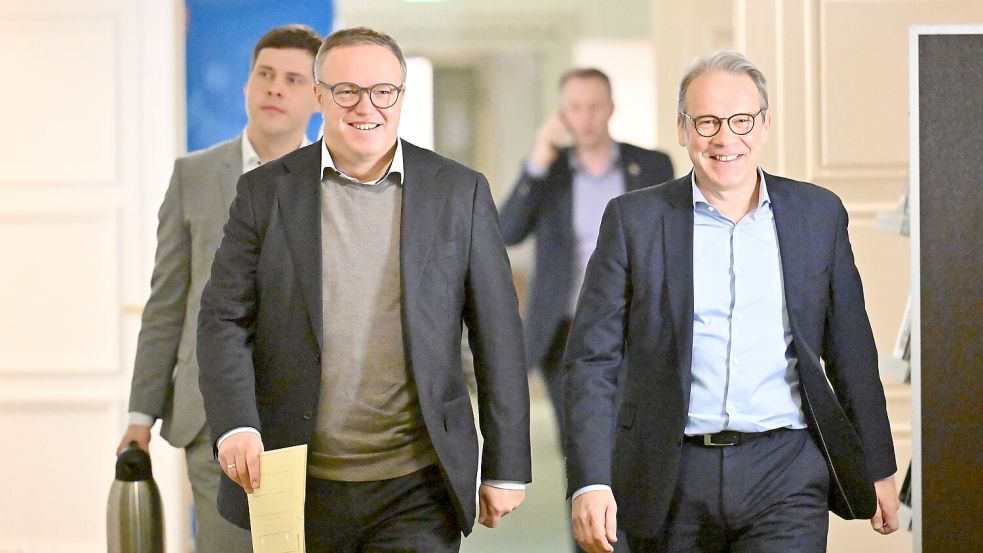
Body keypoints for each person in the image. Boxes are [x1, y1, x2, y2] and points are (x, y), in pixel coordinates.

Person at [197, 27, 531, 552]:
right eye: (346, 90)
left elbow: (497, 333)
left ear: (400, 96)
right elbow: (223, 318)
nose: (365, 106)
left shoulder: (459, 191)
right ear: (319, 96)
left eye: (382, 91)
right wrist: (236, 424)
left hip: (418, 483)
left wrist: (507, 463)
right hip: (297, 478)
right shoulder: (265, 191)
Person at [562, 51, 900, 553]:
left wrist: (877, 465)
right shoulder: (634, 221)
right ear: (682, 129)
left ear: (763, 126)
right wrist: (590, 481)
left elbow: (851, 350)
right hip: (669, 474)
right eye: (707, 122)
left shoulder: (818, 215)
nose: (725, 139)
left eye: (741, 121)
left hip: (786, 472)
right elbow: (592, 361)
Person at [118, 24, 322, 553]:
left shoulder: (333, 182)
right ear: (247, 85)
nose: (275, 88)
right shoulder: (195, 176)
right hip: (210, 415)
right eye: (265, 75)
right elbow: (167, 304)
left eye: (294, 79)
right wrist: (140, 417)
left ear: (318, 98)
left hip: (310, 415)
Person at [499, 67, 673, 440]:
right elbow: (507, 232)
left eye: (594, 106)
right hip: (565, 332)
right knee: (580, 447)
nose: (585, 117)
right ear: (562, 114)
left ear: (611, 108)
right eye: (575, 107)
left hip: (633, 328)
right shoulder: (549, 171)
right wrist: (536, 164)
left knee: (636, 442)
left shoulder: (653, 166)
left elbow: (673, 243)